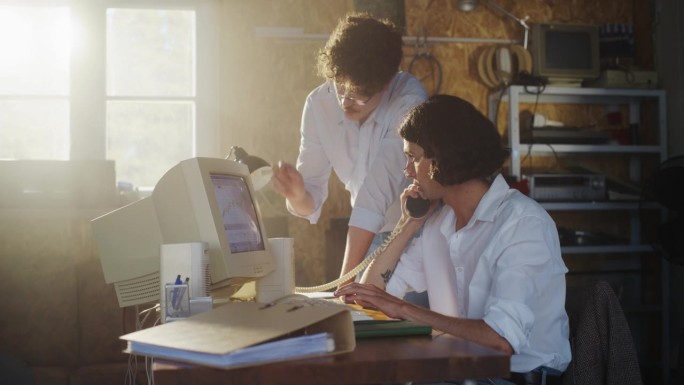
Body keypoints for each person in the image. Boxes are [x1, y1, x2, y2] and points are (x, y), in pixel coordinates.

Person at [335, 95, 571, 385]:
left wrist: (406, 309)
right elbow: (370, 298)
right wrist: (408, 224)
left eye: (414, 157)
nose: (406, 170)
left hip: (515, 378)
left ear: (443, 157)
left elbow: (500, 340)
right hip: (459, 373)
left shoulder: (522, 224)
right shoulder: (438, 224)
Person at [272, 13, 428, 288]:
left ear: (387, 82)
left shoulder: (409, 101)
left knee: (402, 324)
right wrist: (297, 195)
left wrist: (345, 284)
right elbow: (311, 200)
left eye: (359, 94)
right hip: (366, 237)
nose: (346, 101)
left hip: (415, 233)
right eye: (340, 87)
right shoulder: (319, 104)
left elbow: (374, 196)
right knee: (362, 316)